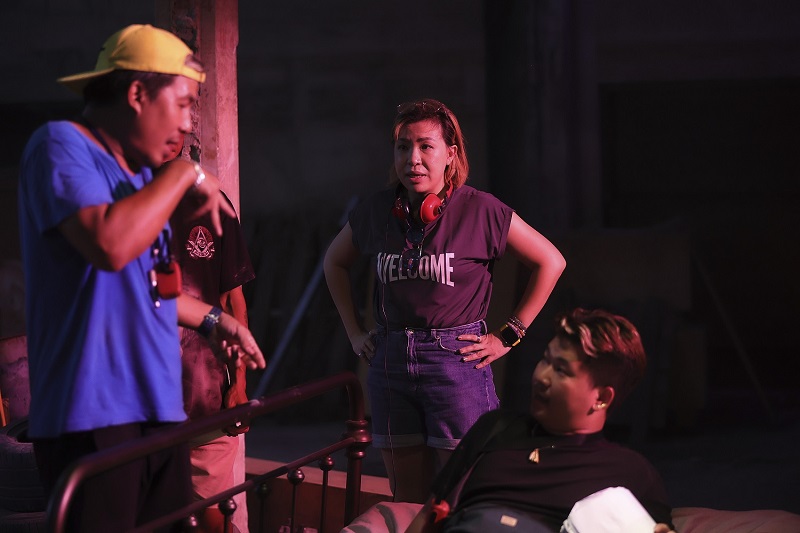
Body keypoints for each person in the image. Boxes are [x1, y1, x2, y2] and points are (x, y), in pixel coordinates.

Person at [17, 24, 265, 532]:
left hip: (158, 410)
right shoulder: (60, 145)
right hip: (93, 414)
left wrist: (215, 320)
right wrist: (184, 173)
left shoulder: (136, 181)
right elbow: (109, 244)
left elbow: (150, 290)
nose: (189, 123)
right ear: (136, 94)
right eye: (183, 104)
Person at [323, 98, 567, 503]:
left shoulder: (481, 209)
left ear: (450, 154)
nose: (413, 159)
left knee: (465, 493)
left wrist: (509, 335)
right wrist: (354, 332)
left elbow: (551, 261)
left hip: (456, 362)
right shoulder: (378, 211)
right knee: (407, 499)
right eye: (403, 146)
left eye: (426, 146)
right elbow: (334, 262)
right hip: (391, 362)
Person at [405, 308, 675, 533]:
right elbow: (429, 513)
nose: (542, 377)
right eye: (545, 360)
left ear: (602, 398)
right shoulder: (495, 428)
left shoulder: (631, 473)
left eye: (561, 370)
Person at [167, 135, 256, 533]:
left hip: (205, 389)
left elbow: (234, 303)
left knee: (212, 515)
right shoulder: (124, 205)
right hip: (144, 400)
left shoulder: (212, 203)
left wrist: (239, 384)